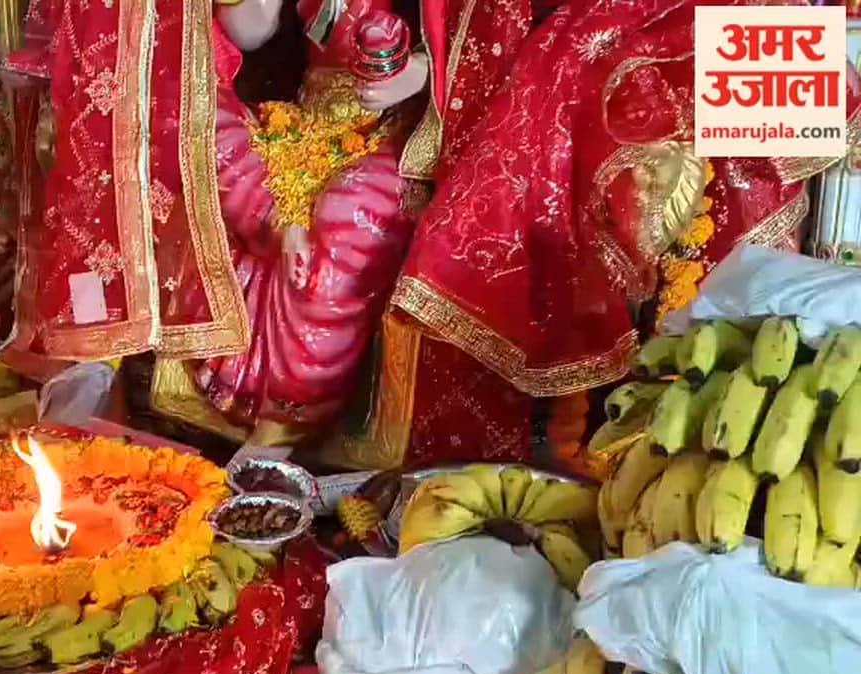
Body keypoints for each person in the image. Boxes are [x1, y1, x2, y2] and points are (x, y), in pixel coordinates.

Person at [331, 0, 861, 469]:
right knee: (577, 80)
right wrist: (435, 69)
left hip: (705, 27)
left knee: (778, 81)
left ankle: (738, 408)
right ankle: (614, 411)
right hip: (569, 43)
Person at [0, 0, 527, 445]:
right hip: (299, 117)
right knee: (194, 136)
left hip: (409, 130)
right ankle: (260, 246)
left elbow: (492, 39)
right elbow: (250, 29)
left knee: (350, 213)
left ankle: (288, 421)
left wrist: (422, 72)